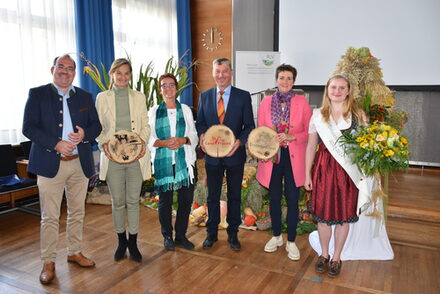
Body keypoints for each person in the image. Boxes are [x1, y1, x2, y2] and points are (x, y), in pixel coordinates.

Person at [22, 54, 102, 284]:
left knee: (78, 212)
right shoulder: (37, 94)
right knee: (49, 216)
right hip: (49, 165)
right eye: (61, 67)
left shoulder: (85, 96)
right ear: (52, 69)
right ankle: (48, 261)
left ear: (74, 73)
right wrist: (55, 143)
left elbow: (96, 125)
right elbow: (28, 127)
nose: (65, 71)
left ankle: (74, 251)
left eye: (69, 68)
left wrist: (85, 134)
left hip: (79, 163)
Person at [304, 74, 370, 277]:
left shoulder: (358, 114)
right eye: (333, 87)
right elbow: (311, 146)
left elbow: (366, 146)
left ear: (348, 91)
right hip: (323, 170)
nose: (337, 91)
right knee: (323, 217)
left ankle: (336, 257)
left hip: (347, 173)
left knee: (342, 217)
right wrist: (307, 173)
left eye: (342, 88)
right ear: (328, 90)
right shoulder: (317, 115)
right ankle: (324, 254)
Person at [196, 58, 255, 251]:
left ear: (231, 72)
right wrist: (202, 136)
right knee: (212, 196)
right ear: (213, 73)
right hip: (212, 157)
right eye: (217, 71)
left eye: (224, 71)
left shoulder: (243, 96)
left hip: (234, 156)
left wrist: (240, 141)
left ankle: (233, 234)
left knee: (235, 196)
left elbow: (249, 126)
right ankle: (211, 233)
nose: (221, 75)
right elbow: (201, 124)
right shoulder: (204, 96)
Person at [95, 58, 151, 262]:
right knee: (117, 202)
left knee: (133, 201)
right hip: (112, 158)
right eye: (118, 73)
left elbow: (146, 125)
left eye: (126, 73)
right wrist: (104, 145)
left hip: (136, 158)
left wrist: (142, 143)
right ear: (112, 74)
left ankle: (134, 244)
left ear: (130, 75)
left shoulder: (139, 97)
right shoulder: (102, 98)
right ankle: (121, 242)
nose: (122, 77)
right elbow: (98, 127)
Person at [256, 64, 312, 260]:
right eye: (281, 77)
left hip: (294, 158)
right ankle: (277, 236)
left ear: (294, 81)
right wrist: (266, 147)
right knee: (273, 198)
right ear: (276, 79)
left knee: (292, 199)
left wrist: (292, 136)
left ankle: (291, 241)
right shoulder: (265, 102)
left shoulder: (302, 102)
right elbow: (260, 132)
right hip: (272, 158)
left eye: (289, 78)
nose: (285, 81)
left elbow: (309, 132)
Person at [148, 73, 198, 251]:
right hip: (164, 162)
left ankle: (181, 235)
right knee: (165, 202)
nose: (168, 88)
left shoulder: (185, 109)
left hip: (184, 161)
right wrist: (162, 143)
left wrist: (182, 140)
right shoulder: (153, 112)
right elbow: (148, 138)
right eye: (164, 85)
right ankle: (167, 236)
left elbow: (194, 135)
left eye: (171, 84)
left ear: (176, 88)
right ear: (160, 90)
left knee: (185, 200)